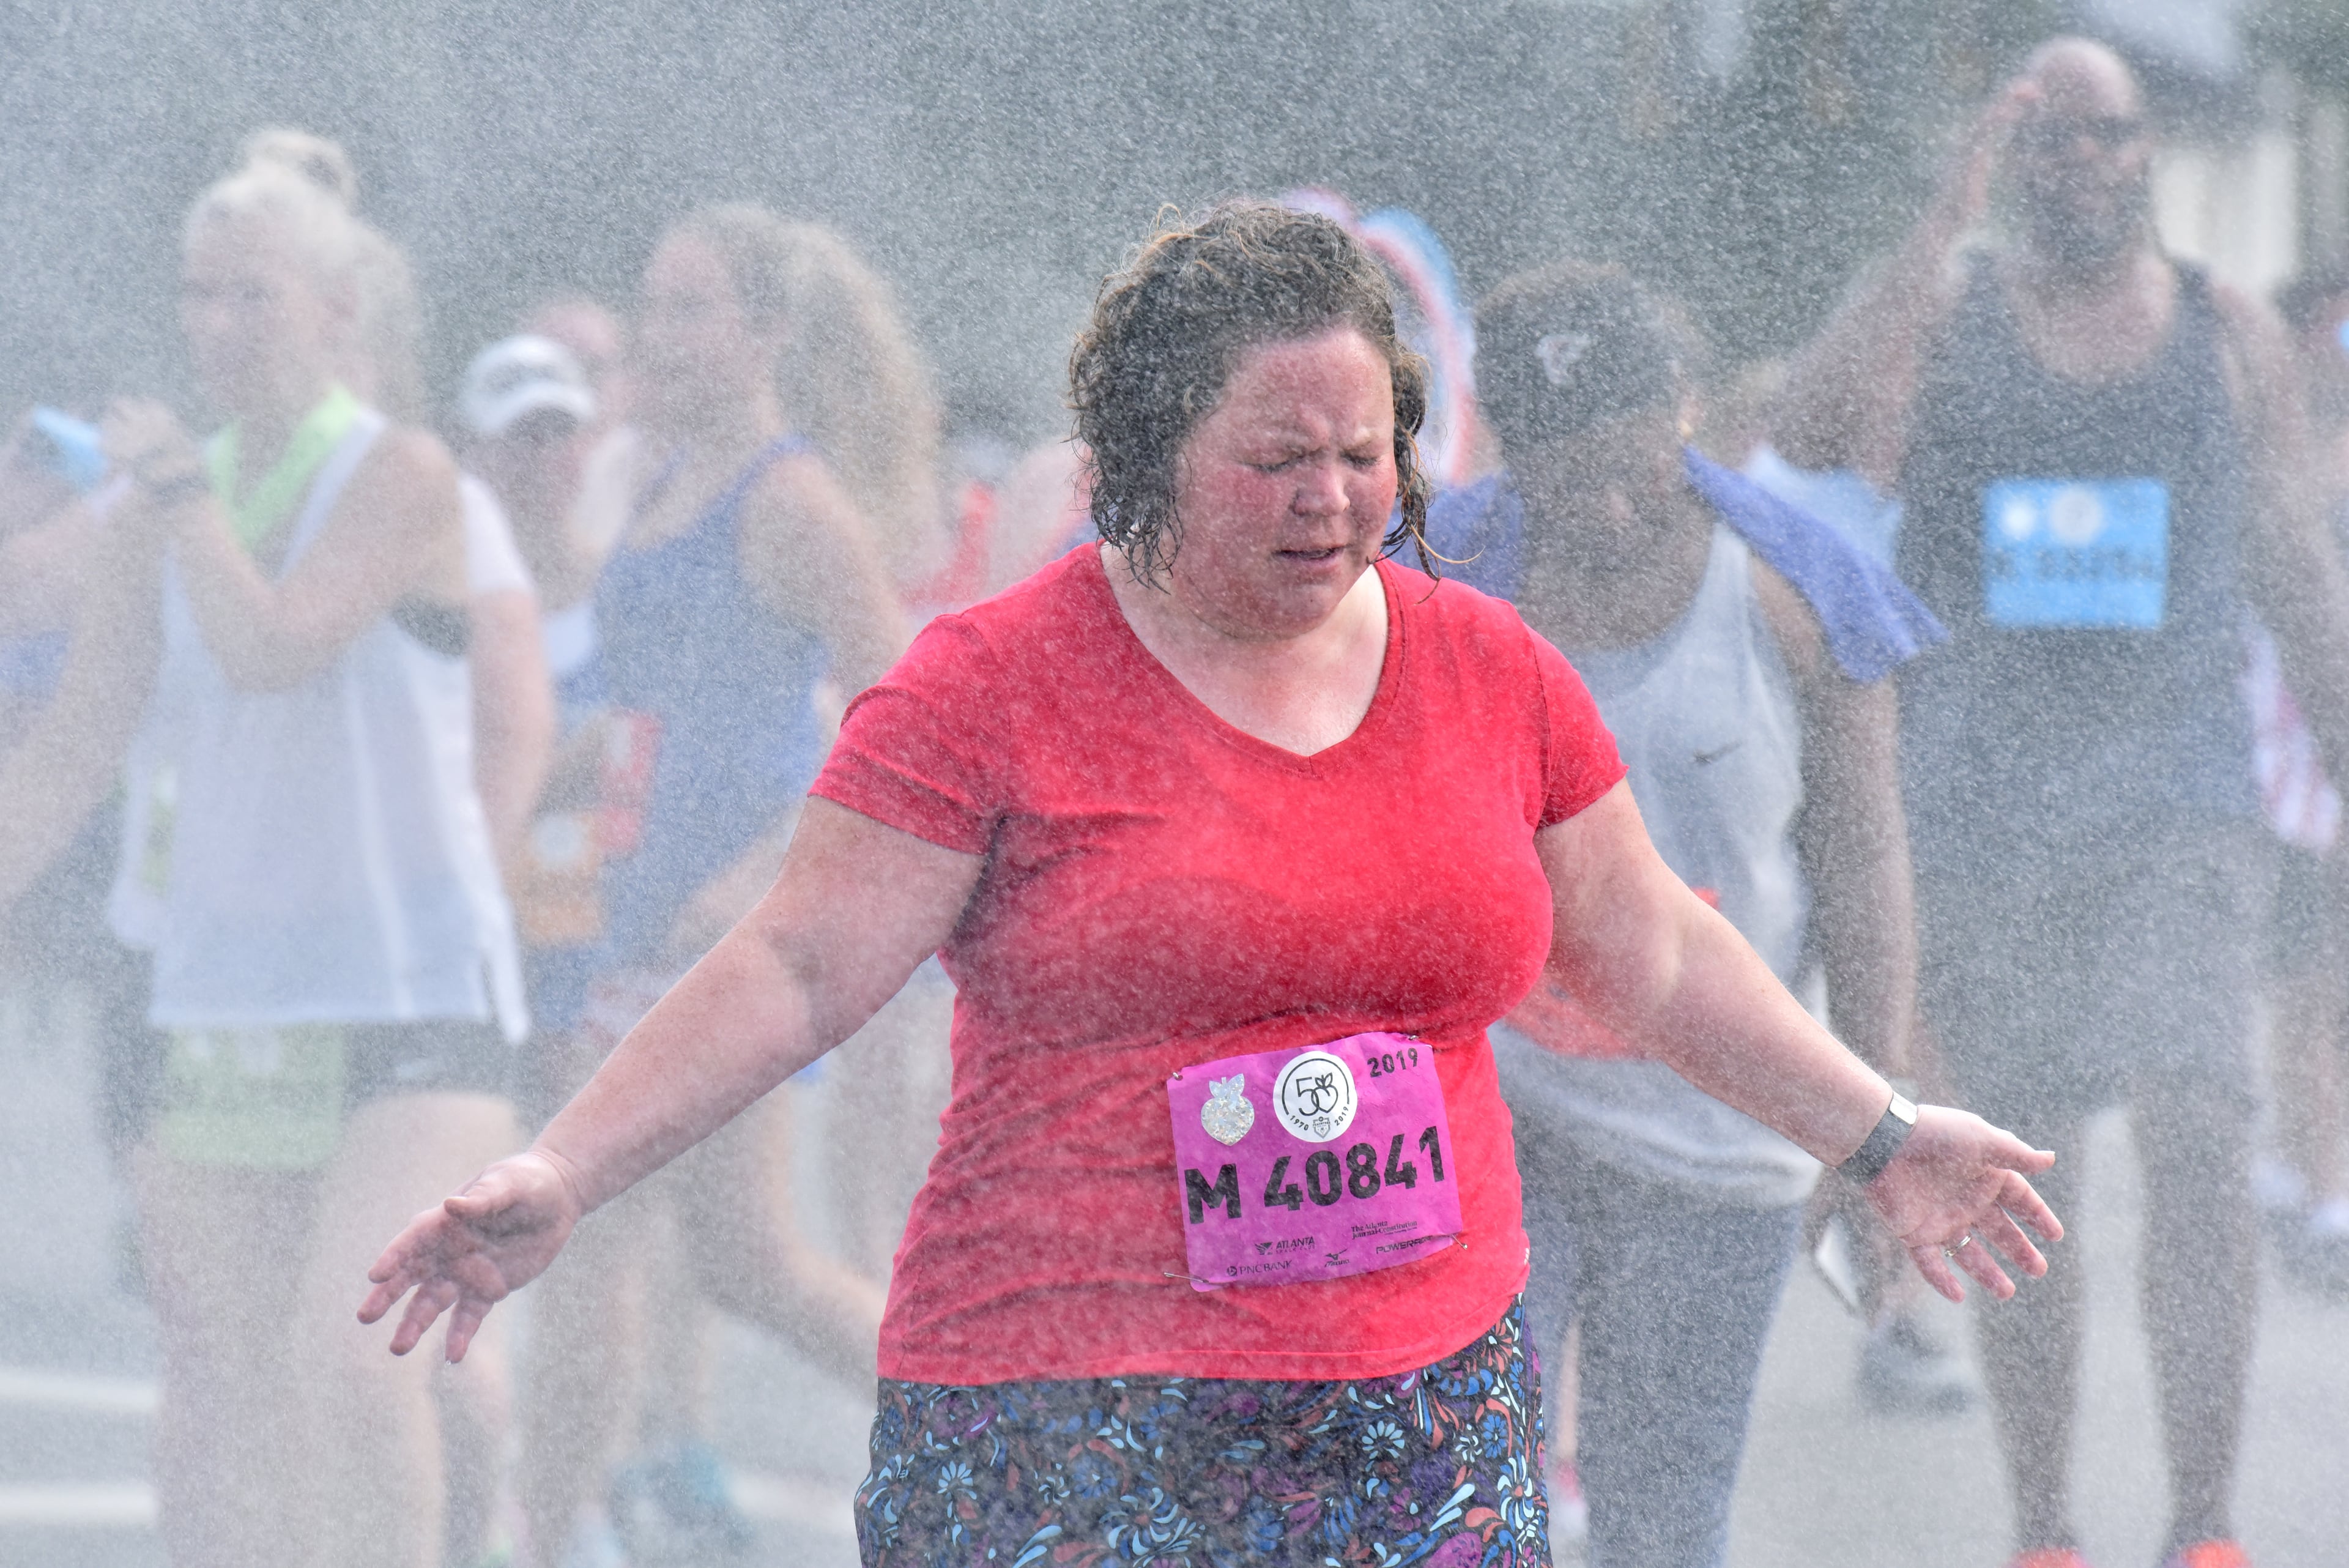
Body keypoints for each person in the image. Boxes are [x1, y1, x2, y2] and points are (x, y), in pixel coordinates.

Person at [360, 200, 2062, 1568]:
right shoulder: (992, 684)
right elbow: (803, 962)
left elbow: (1659, 953)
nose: (1331, 497)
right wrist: (565, 1164)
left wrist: (1882, 1127)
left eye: (1363, 450)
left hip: (1411, 1408)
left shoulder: (1487, 669)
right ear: (1152, 447)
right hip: (1071, 1407)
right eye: (1277, 456)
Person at [1776, 38, 2349, 1568]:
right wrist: (1933, 218)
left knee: (2200, 1133)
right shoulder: (1954, 316)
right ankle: (2045, 1529)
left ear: (2147, 149)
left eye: (2104, 136)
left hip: (2178, 805)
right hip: (1990, 812)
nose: (2078, 164)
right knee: (2032, 1174)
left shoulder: (2225, 333)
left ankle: (2208, 1527)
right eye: (2043, 141)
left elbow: (2293, 561)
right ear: (2009, 161)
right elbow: (1817, 433)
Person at [0, 163, 523, 1568]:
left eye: (253, 294)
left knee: (355, 1360)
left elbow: (274, 646)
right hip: (231, 993)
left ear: (336, 308)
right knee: (229, 1387)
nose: (217, 324)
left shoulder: (404, 474)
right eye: (198, 293)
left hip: (415, 986)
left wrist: (171, 494)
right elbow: (69, 750)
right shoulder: (162, 508)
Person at [1427, 260, 1935, 1567]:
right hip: (1496, 1120)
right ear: (1503, 454)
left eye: (1630, 466)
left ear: (1688, 415)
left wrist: (1869, 1134)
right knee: (1461, 1503)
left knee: (1665, 1520)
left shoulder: (1799, 594)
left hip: (1724, 1130)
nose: (1597, 506)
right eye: (1558, 476)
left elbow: (1864, 879)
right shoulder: (1429, 587)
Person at [509, 204, 907, 1568]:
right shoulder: (658, 478)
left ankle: (1027, 1445)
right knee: (586, 1242)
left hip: (732, 940)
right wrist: (521, 793)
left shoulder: (790, 501)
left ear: (767, 333)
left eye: (694, 312)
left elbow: (902, 714)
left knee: (755, 1263)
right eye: (654, 307)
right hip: (624, 911)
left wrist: (761, 871)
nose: (664, 338)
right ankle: (544, 1538)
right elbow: (636, 700)